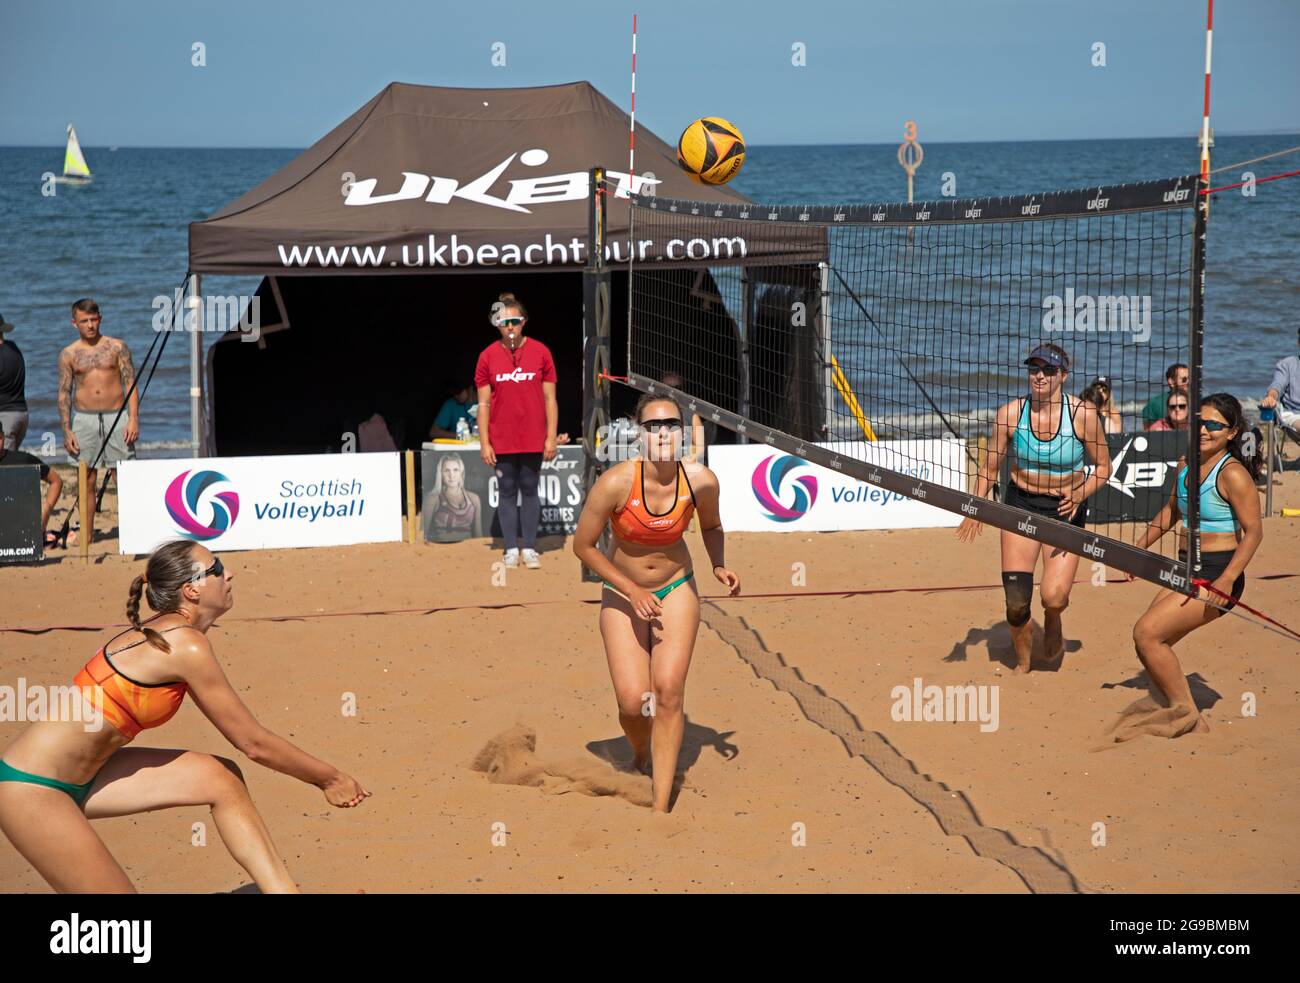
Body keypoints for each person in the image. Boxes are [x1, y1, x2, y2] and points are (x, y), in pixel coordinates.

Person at [0, 540, 369, 893]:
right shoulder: (184, 643)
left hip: (89, 775)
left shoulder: (173, 635)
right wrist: (329, 779)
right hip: (32, 788)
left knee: (219, 778)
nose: (230, 574)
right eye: (217, 568)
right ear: (191, 590)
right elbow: (253, 744)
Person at [572, 392, 740, 812]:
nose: (662, 433)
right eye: (653, 426)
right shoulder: (615, 482)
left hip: (676, 587)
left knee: (666, 692)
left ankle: (661, 806)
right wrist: (632, 590)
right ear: (638, 434)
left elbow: (713, 525)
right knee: (633, 703)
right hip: (623, 593)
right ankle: (640, 752)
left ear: (681, 433)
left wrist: (719, 565)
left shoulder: (701, 480)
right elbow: (583, 546)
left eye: (670, 425)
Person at [957, 343, 1112, 673]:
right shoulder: (1010, 414)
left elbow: (1103, 468)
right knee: (1015, 601)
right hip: (1020, 505)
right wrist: (974, 506)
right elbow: (989, 467)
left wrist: (1081, 492)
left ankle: (1053, 619)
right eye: (1034, 369)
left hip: (1065, 509)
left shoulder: (1082, 415)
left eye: (1048, 370)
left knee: (1053, 598)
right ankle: (1024, 659)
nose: (1039, 376)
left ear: (1063, 376)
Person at [1131, 394, 1264, 734]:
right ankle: (1183, 709)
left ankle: (1191, 720)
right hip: (1185, 568)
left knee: (1148, 635)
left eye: (1214, 425)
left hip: (1219, 574)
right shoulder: (1185, 462)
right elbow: (1171, 512)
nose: (1204, 430)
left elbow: (1253, 533)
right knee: (1151, 641)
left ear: (1232, 432)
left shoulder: (1233, 474)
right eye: (1200, 422)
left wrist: (1227, 580)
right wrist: (1137, 549)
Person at [475, 292, 558, 570]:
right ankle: (511, 548)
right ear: (496, 324)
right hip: (502, 439)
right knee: (507, 491)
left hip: (533, 437)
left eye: (514, 320)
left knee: (530, 490)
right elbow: (483, 403)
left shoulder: (541, 352)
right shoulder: (487, 357)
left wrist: (550, 436)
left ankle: (530, 548)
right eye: (503, 321)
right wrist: (484, 442)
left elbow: (550, 399)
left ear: (524, 322)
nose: (509, 326)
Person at [57, 299, 139, 533]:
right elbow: (64, 392)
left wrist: (133, 418)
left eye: (94, 320)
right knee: (87, 478)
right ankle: (87, 535)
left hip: (117, 416)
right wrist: (66, 430)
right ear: (75, 323)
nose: (90, 325)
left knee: (122, 476)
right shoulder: (69, 354)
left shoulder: (117, 347)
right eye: (84, 321)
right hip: (84, 419)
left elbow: (130, 382)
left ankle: (132, 532)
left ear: (100, 319)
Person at [0, 418, 63, 546]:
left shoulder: (22, 461)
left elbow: (56, 481)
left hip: (19, 536)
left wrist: (45, 513)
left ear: (3, 438)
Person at [427, 452, 483, 541]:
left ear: (462, 473)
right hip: (443, 551)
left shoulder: (474, 499)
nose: (451, 475)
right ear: (440, 474)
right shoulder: (433, 499)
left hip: (468, 551)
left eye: (455, 470)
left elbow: (478, 536)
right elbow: (422, 534)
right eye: (446, 470)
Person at [1260, 326, 1300, 433]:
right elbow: (1277, 385)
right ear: (1299, 343)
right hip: (1293, 414)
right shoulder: (1288, 364)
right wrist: (1271, 396)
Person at [659, 371, 706, 462]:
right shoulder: (651, 411)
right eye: (668, 387)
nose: (672, 391)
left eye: (676, 387)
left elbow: (700, 445)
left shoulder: (691, 413)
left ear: (682, 390)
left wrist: (688, 461)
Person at [0, 312, 29, 450]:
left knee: (5, 467)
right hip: (21, 414)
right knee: (11, 462)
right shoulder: (13, 348)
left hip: (5, 418)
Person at [1141, 363, 1189, 430]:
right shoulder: (1155, 404)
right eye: (1184, 379)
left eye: (1190, 378)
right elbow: (1148, 433)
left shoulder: (1196, 400)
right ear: (1171, 381)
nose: (1188, 382)